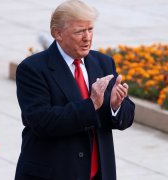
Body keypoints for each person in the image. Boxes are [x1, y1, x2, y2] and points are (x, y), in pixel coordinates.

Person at [14, 0, 135, 180]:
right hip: (54, 173)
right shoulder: (33, 69)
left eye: (90, 29)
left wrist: (115, 106)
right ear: (58, 33)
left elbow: (126, 117)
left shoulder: (103, 62)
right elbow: (42, 122)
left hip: (98, 173)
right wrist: (92, 104)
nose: (87, 37)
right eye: (79, 31)